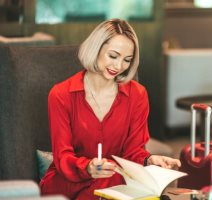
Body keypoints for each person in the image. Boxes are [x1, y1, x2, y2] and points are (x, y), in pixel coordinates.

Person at [39, 18, 181, 199]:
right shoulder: (61, 95)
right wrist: (89, 167)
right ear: (95, 49)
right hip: (68, 181)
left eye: (127, 60)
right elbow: (63, 157)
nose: (119, 66)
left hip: (113, 178)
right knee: (114, 181)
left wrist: (149, 160)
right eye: (113, 56)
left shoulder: (138, 95)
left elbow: (133, 152)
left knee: (113, 178)